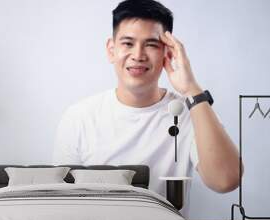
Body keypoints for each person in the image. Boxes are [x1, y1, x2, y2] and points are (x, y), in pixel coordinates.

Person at [52, 0, 240, 197]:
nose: (138, 55)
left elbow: (225, 180)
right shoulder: (79, 116)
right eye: (128, 43)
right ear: (111, 49)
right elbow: (63, 197)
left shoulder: (191, 112)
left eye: (151, 45)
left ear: (168, 52)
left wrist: (191, 88)